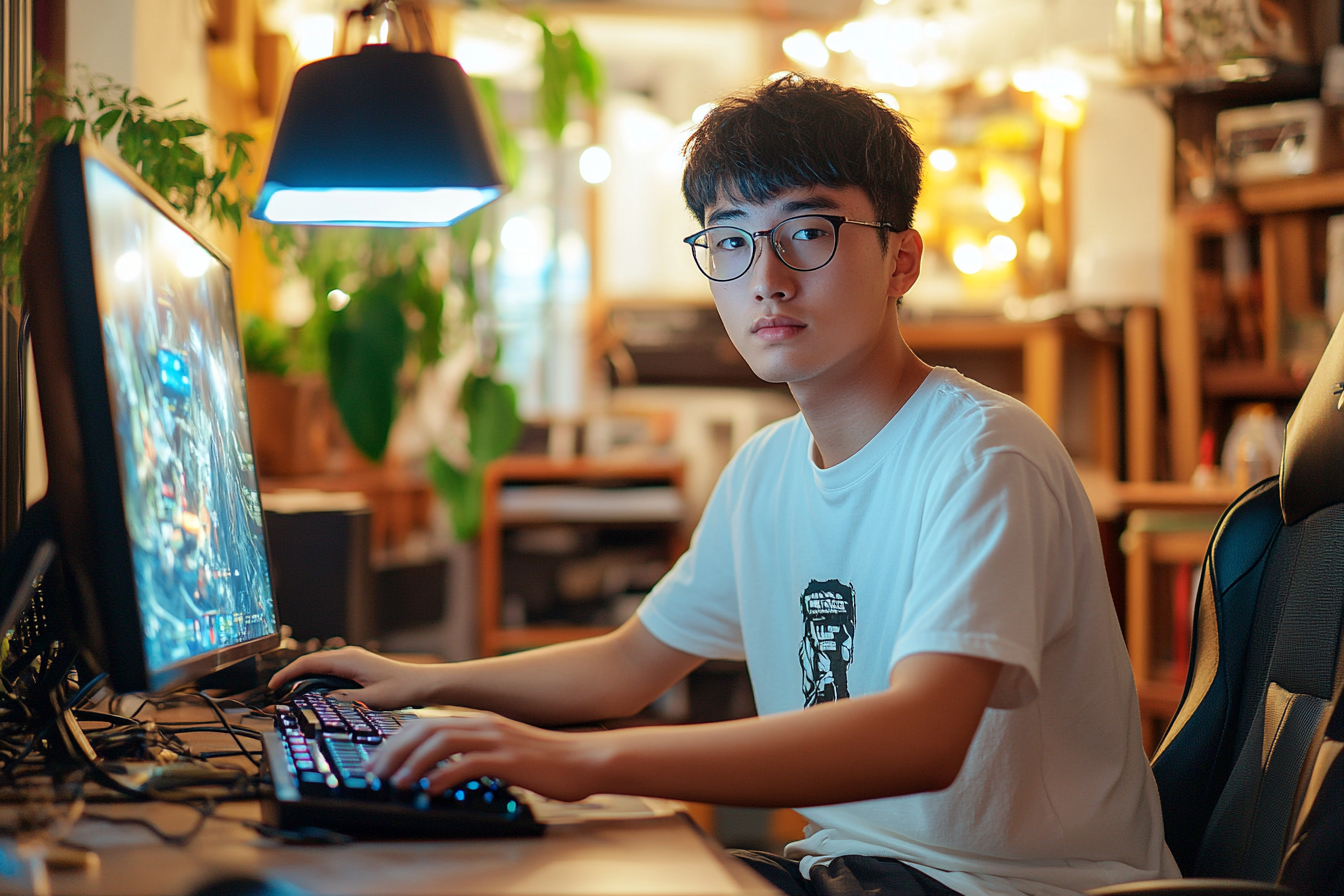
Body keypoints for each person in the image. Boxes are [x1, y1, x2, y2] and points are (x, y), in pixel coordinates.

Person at [271, 75, 1178, 896]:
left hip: (1012, 889)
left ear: (901, 260)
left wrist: (580, 765)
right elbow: (630, 664)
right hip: (852, 873)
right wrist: (423, 682)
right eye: (732, 241)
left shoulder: (984, 453)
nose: (768, 280)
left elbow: (922, 737)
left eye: (809, 232)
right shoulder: (766, 471)